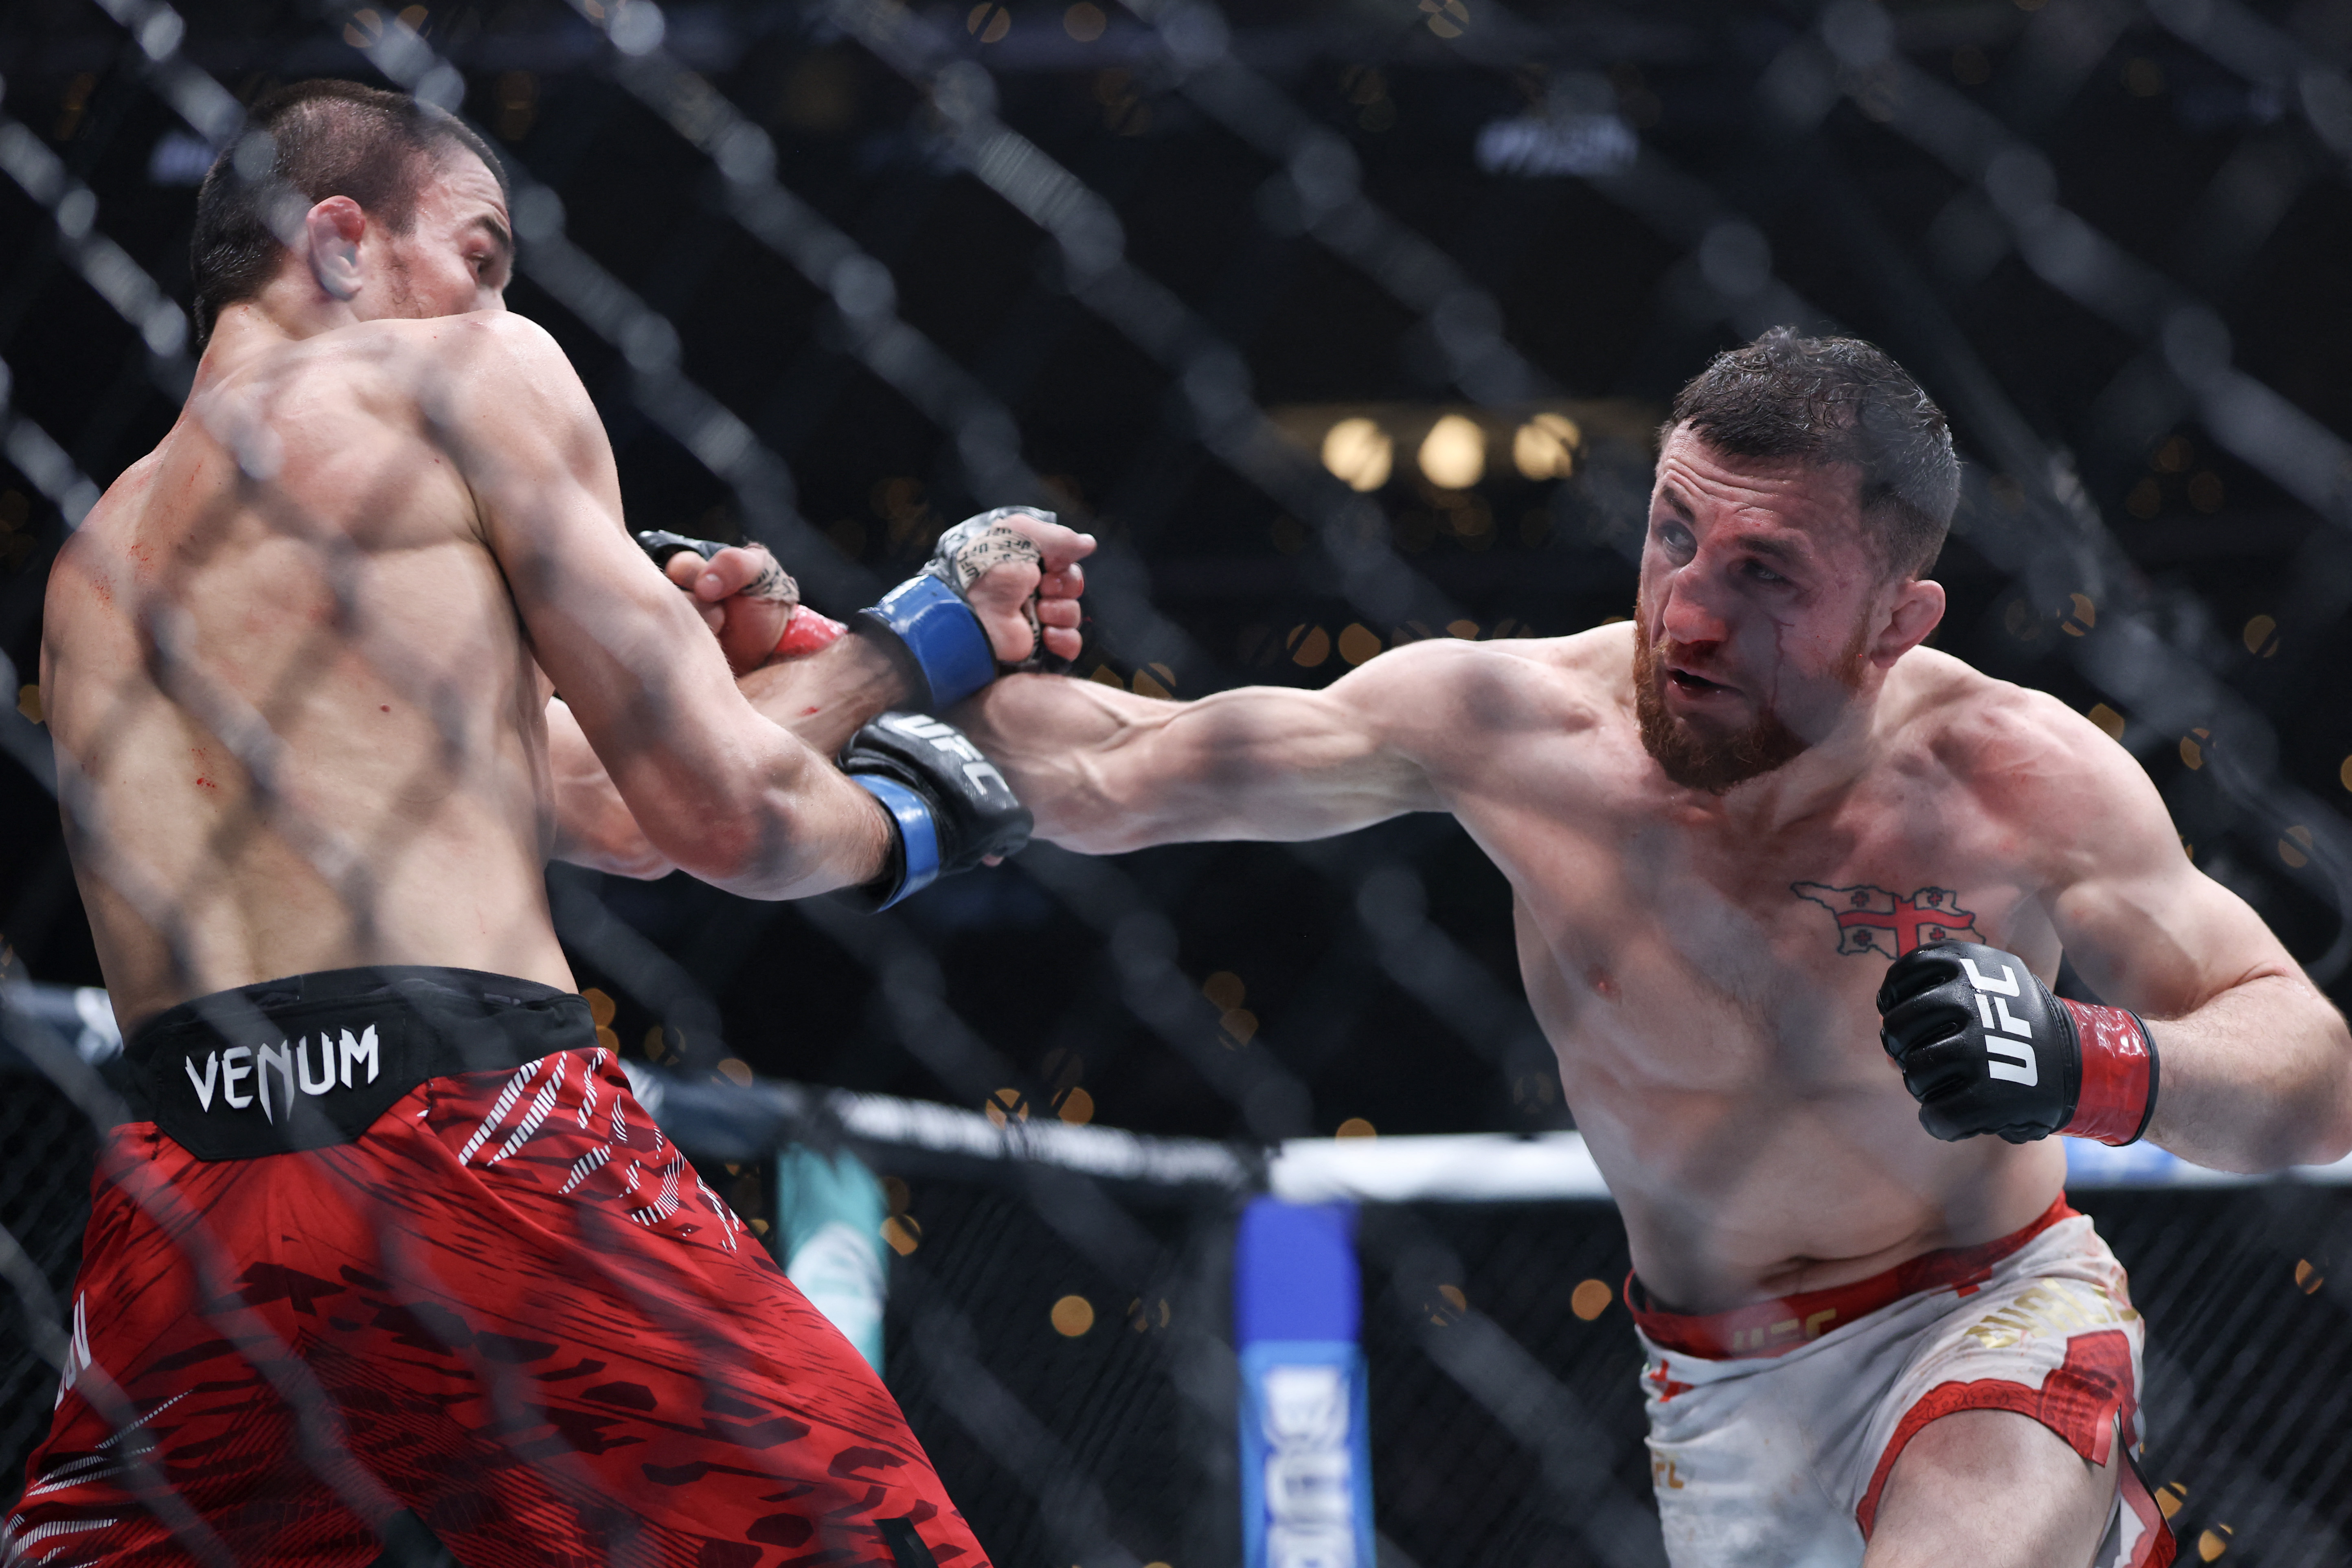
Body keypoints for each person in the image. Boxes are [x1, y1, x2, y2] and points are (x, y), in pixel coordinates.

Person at [955, 329, 2352, 1567]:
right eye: (1674, 534)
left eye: (1766, 574)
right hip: (1711, 1381)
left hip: (1985, 1317)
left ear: (1896, 623)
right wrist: (908, 652)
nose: (1690, 610)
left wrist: (2086, 1058)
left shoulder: (2015, 779)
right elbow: (1110, 770)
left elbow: (2314, 1071)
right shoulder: (1511, 726)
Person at [11, 78, 1090, 1568]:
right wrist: (916, 807)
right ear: (339, 239)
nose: (498, 294)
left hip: (187, 1197)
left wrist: (885, 659)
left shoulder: (93, 553)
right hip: (476, 1129)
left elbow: (592, 802)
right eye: (482, 251)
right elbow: (726, 823)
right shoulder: (463, 375)